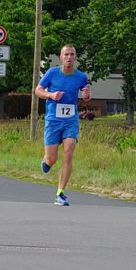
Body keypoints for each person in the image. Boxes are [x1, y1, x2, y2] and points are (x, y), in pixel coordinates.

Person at [34, 44, 91, 206]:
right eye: (66, 54)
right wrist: (51, 94)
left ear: (76, 58)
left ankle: (60, 193)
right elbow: (38, 90)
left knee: (69, 151)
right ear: (61, 57)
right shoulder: (52, 73)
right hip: (53, 120)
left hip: (70, 120)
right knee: (52, 159)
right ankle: (46, 162)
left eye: (72, 54)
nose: (69, 57)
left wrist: (86, 95)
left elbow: (85, 93)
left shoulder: (81, 77)